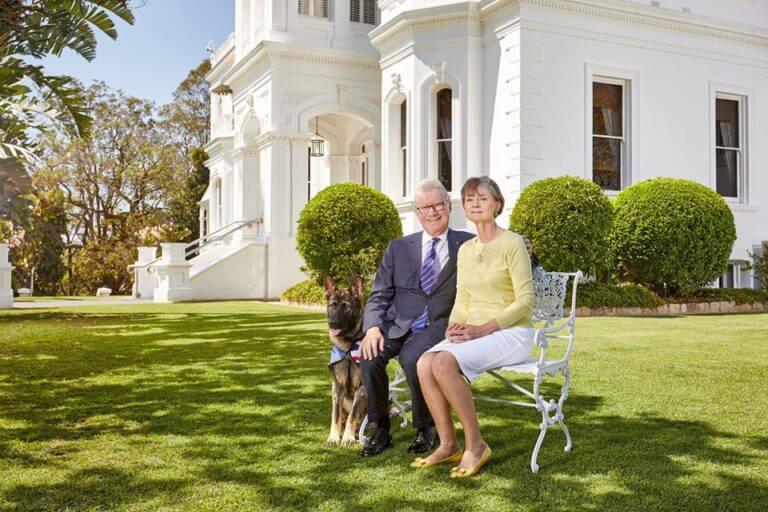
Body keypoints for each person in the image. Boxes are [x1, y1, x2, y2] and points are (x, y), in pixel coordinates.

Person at [414, 176, 535, 478]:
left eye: (482, 198)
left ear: (497, 204)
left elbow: (525, 302)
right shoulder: (466, 249)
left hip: (512, 333)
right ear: (464, 208)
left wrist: (482, 330)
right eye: (469, 199)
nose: (476, 203)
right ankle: (447, 444)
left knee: (442, 362)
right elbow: (464, 297)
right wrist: (453, 328)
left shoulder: (513, 243)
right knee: (424, 363)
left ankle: (476, 445)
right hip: (474, 332)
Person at [359, 180, 475, 457]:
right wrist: (373, 327)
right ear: (417, 211)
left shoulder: (469, 243)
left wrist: (527, 250)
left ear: (448, 207)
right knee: (369, 356)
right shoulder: (398, 248)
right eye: (425, 207)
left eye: (438, 205)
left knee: (413, 358)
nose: (432, 212)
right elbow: (379, 293)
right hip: (397, 323)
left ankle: (426, 427)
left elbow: (504, 258)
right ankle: (380, 428)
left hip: (438, 324)